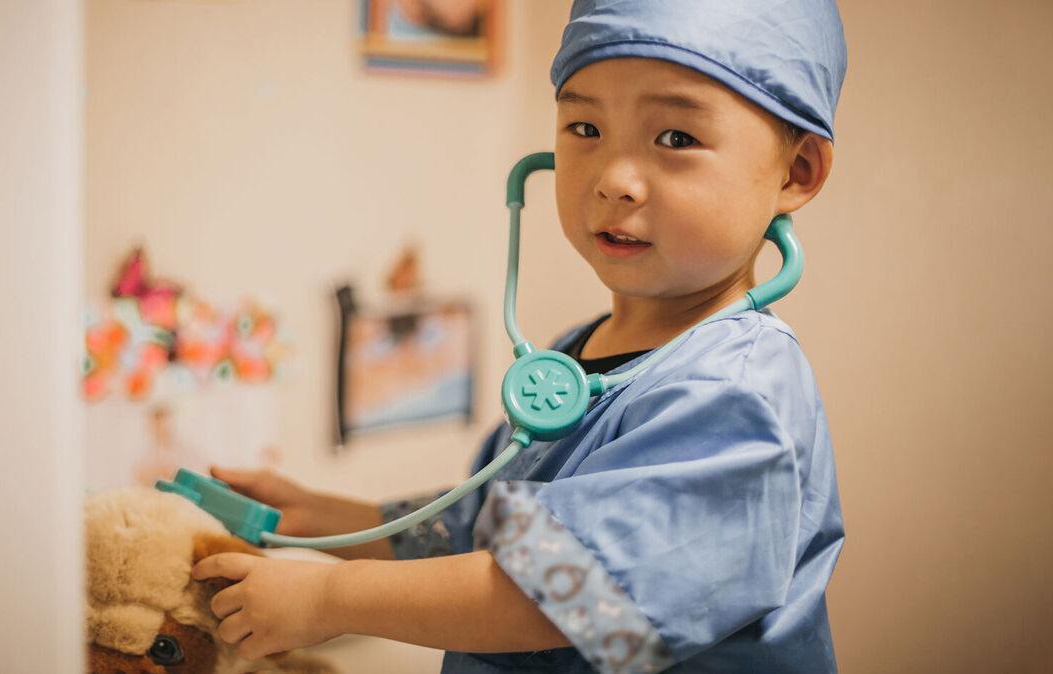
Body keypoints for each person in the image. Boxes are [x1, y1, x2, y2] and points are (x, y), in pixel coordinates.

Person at [191, 1, 847, 671]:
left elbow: (570, 598)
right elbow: (487, 533)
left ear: (796, 173)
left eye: (676, 138)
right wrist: (326, 520)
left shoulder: (735, 396)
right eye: (585, 126)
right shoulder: (571, 355)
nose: (614, 180)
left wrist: (331, 597)